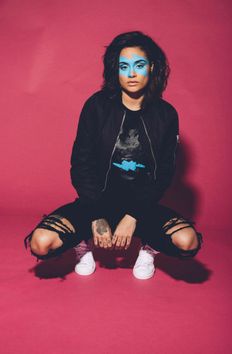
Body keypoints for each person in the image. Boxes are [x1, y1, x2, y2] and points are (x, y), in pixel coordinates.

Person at [24, 31, 203, 280]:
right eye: (123, 66)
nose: (131, 74)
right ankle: (82, 244)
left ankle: (149, 249)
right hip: (95, 203)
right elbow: (81, 164)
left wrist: (133, 216)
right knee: (41, 242)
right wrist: (96, 214)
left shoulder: (166, 115)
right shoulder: (97, 106)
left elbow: (164, 174)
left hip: (143, 206)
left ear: (152, 67)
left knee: (187, 241)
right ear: (115, 70)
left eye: (139, 65)